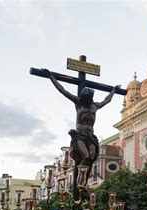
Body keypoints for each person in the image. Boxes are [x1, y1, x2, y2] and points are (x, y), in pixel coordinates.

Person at [44, 68, 118, 200]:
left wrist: (113, 90)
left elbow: (107, 100)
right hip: (79, 135)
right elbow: (63, 91)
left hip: (91, 137)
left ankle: (82, 183)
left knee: (92, 157)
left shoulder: (94, 106)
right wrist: (51, 77)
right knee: (85, 155)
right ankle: (81, 184)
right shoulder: (78, 104)